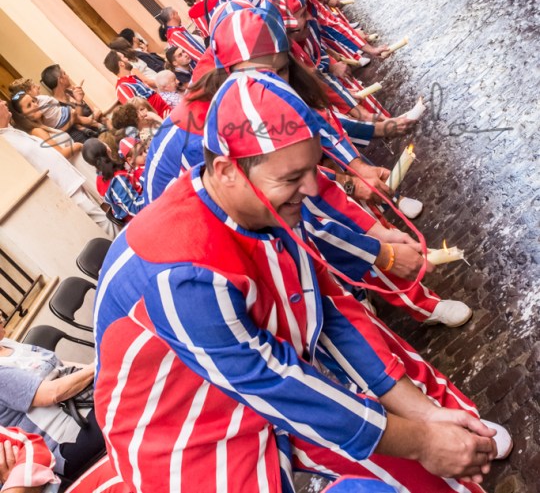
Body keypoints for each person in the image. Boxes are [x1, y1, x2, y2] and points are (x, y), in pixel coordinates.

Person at [94, 70, 507, 493]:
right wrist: (422, 442)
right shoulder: (181, 272)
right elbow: (275, 383)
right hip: (189, 441)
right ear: (227, 170)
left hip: (263, 391)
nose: (310, 189)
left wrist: (424, 416)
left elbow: (325, 309)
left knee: (424, 472)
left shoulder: (258, 203)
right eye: (292, 179)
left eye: (312, 169)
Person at [0, 322, 103, 480]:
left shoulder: (6, 345)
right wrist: (99, 364)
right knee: (130, 406)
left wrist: (101, 371)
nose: (1, 318)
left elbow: (60, 366)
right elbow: (53, 393)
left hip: (84, 404)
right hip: (66, 439)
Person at [0, 100, 114, 237]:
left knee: (108, 219)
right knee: (106, 226)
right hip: (66, 191)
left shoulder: (11, 131)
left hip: (73, 181)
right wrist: (79, 145)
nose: (4, 102)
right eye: (0, 101)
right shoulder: (4, 143)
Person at [82, 138, 144, 224]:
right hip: (142, 216)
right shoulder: (116, 180)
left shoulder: (100, 179)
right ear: (107, 149)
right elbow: (136, 208)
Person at [103, 50, 170, 118]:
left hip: (166, 110)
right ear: (121, 64)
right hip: (162, 117)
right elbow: (136, 112)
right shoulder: (122, 87)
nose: (127, 59)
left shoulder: (132, 78)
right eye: (124, 57)